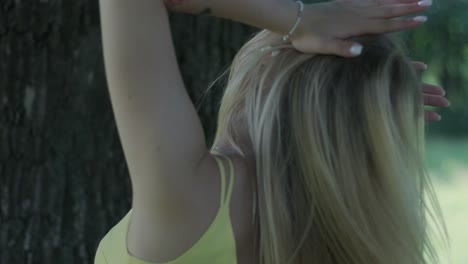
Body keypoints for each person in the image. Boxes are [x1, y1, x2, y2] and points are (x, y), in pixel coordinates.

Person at [95, 0, 450, 263]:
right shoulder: (364, 240)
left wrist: (299, 20)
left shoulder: (193, 204)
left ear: (266, 69)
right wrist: (360, 106)